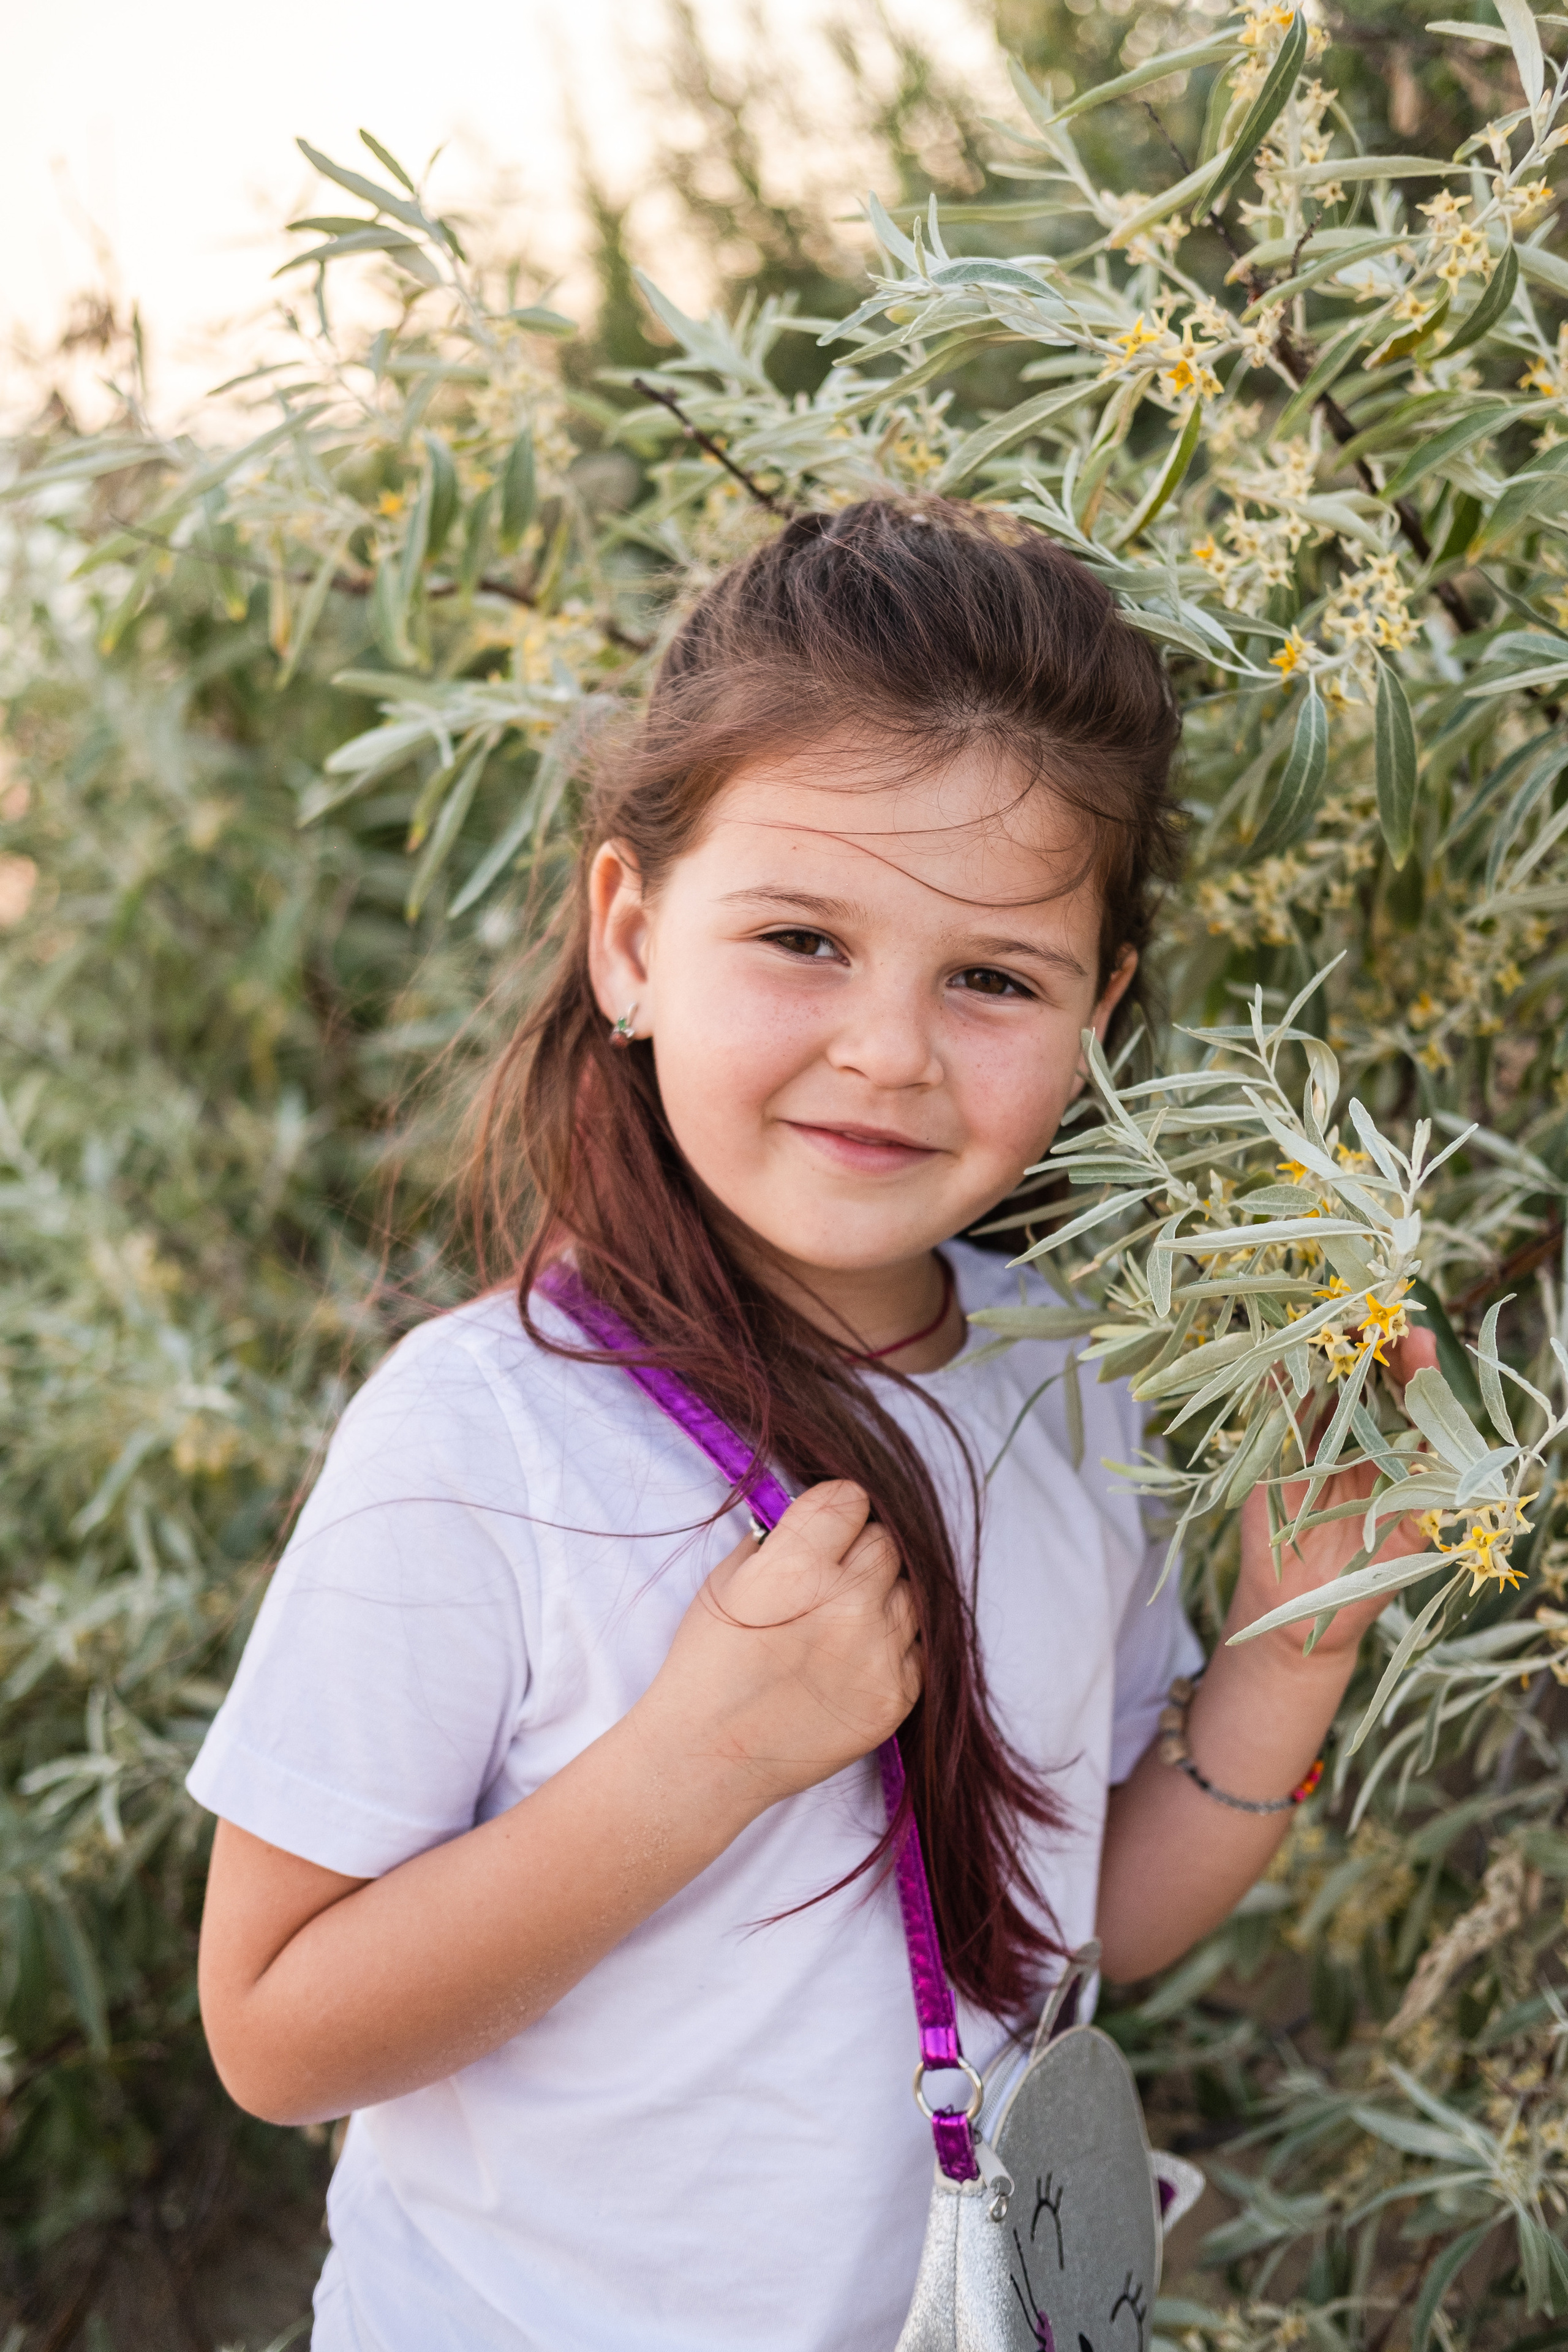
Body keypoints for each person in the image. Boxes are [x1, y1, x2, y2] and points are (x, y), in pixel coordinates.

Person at [189, 499, 1434, 2352]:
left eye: (992, 979)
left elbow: (1087, 1923)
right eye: (802, 939)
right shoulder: (490, 1439)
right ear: (629, 937)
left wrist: (1299, 1641)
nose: (890, 1050)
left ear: (1097, 1015)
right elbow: (277, 2030)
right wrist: (697, 1764)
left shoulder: (1069, 1381)